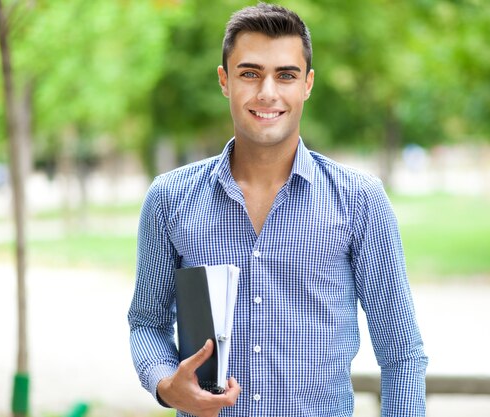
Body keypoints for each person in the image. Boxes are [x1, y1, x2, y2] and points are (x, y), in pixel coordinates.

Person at [128, 3, 428, 417]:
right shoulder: (169, 199)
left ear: (307, 84)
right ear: (224, 81)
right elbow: (146, 322)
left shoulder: (360, 201)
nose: (267, 92)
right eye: (250, 73)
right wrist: (166, 384)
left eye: (285, 75)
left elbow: (402, 355)